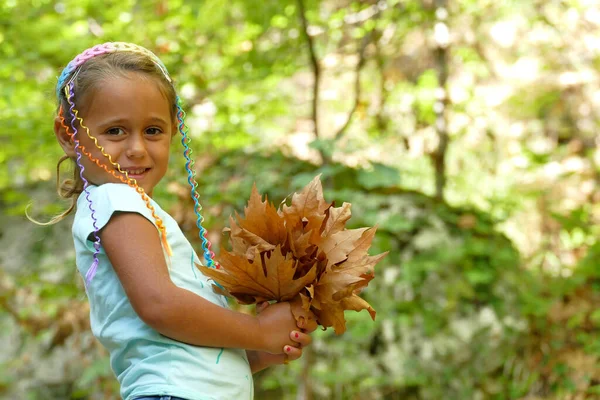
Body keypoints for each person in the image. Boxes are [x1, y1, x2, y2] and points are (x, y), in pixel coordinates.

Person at [38, 42, 314, 400]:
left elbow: (183, 347)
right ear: (69, 135)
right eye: (115, 131)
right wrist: (258, 330)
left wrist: (257, 353)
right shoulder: (116, 199)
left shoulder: (129, 207)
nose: (137, 147)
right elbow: (159, 305)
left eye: (153, 131)